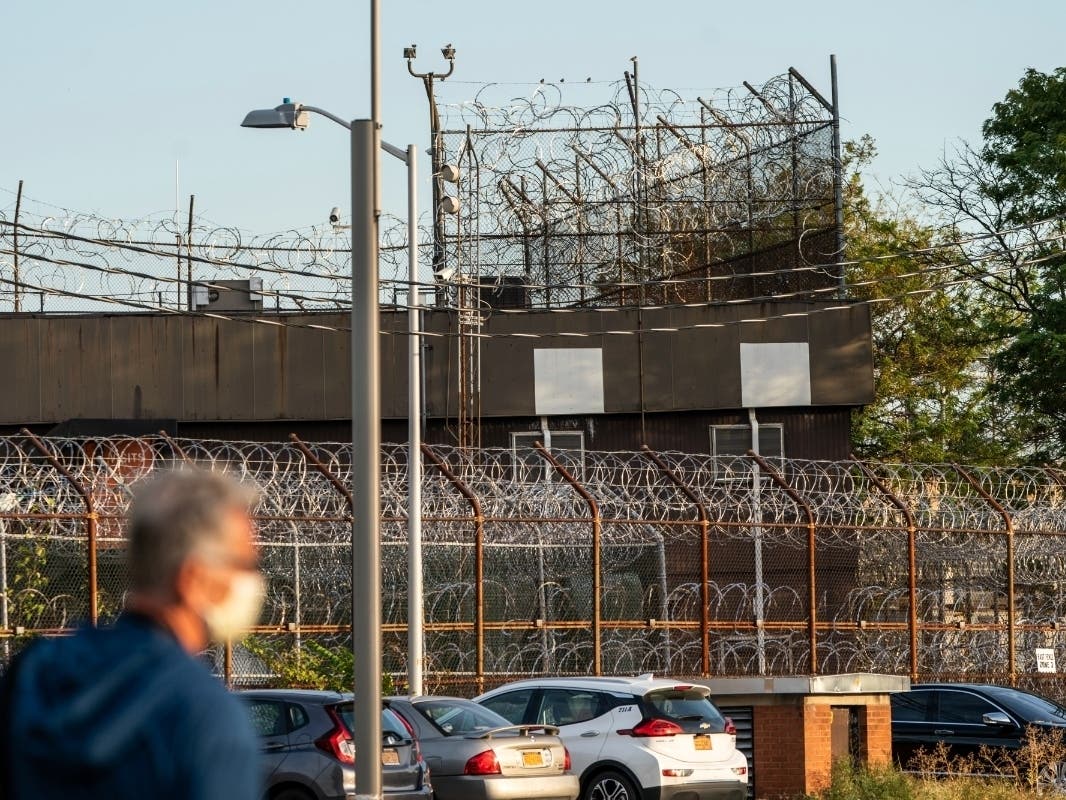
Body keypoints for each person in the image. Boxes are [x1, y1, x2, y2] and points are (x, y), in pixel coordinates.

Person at [0, 468, 265, 800]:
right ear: (193, 578)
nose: (254, 582)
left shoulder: (34, 674)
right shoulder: (208, 718)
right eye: (244, 565)